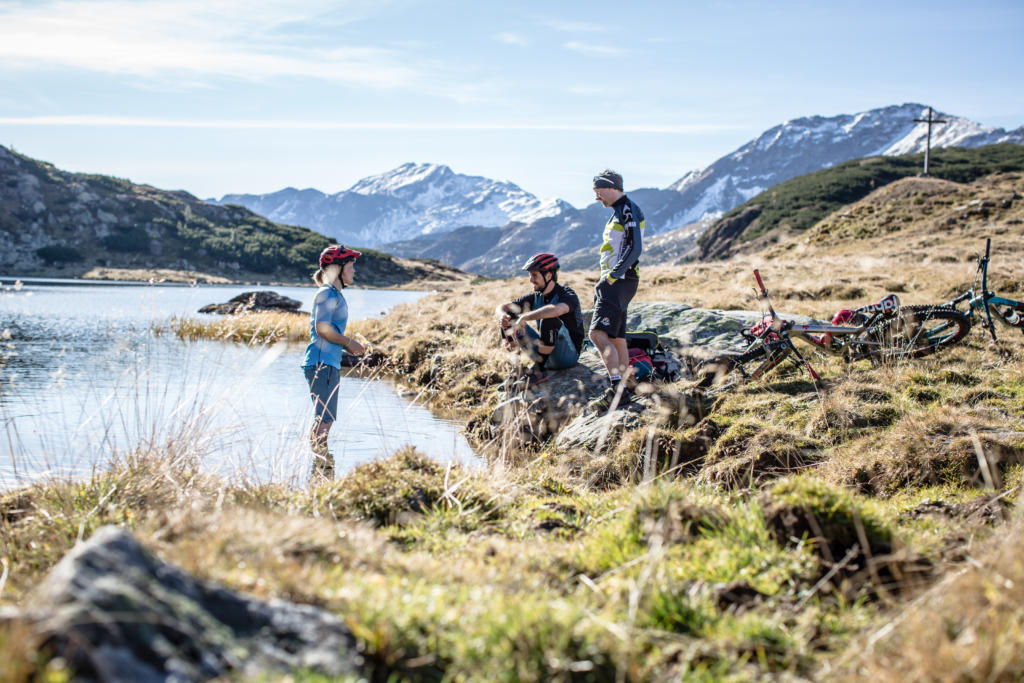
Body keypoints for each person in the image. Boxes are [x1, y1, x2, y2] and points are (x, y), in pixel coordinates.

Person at [302, 244, 366, 480]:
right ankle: (321, 474)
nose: (353, 272)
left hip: (326, 363)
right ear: (337, 269)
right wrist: (350, 343)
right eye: (350, 267)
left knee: (324, 419)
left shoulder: (333, 294)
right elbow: (322, 328)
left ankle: (318, 472)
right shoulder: (326, 293)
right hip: (322, 363)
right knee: (325, 420)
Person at [589, 169, 644, 411]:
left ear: (610, 187)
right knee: (617, 338)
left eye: (597, 191)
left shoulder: (627, 209)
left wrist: (611, 277)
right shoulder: (619, 211)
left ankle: (615, 390)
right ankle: (625, 387)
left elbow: (635, 248)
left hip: (619, 281)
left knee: (597, 335)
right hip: (621, 281)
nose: (596, 197)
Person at [495, 252, 585, 386]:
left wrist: (525, 316)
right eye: (530, 275)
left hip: (567, 357)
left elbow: (556, 310)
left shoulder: (567, 294)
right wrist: (503, 316)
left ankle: (538, 371)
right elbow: (502, 307)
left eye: (534, 275)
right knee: (509, 319)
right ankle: (517, 368)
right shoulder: (536, 296)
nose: (531, 279)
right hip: (543, 354)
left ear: (548, 275)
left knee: (549, 317)